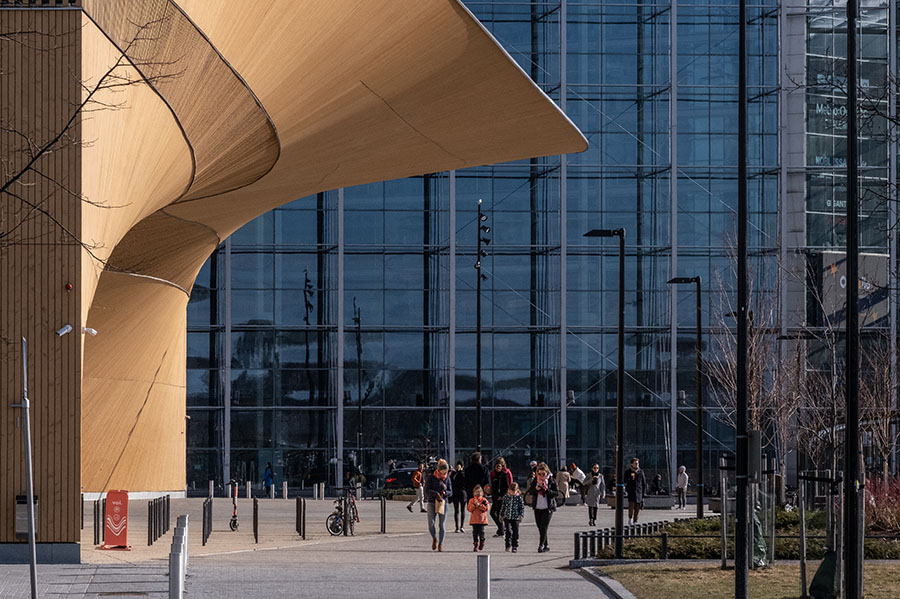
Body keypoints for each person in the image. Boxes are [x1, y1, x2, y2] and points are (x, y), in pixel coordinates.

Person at [525, 462, 558, 553]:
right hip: (537, 507)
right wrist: (536, 489)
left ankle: (541, 545)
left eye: (543, 473)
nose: (541, 475)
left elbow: (556, 493)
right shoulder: (536, 480)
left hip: (548, 508)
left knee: (544, 527)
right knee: (540, 527)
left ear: (547, 472)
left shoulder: (551, 480)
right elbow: (530, 491)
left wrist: (546, 490)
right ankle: (546, 544)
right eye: (539, 473)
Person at [424, 459, 453, 551]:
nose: (445, 472)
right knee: (431, 523)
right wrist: (435, 494)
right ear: (439, 469)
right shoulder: (432, 477)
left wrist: (445, 493)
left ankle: (441, 543)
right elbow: (427, 490)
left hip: (443, 502)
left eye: (446, 470)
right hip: (432, 501)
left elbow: (451, 492)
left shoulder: (447, 478)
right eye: (443, 470)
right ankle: (434, 538)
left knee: (442, 524)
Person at [489, 457, 513, 537]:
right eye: (497, 466)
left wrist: (503, 495)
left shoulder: (505, 474)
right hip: (495, 496)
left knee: (499, 513)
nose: (498, 468)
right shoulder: (493, 474)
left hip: (502, 497)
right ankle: (501, 529)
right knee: (494, 512)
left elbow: (507, 485)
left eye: (499, 466)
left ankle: (501, 530)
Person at [500, 481, 525, 552]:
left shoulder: (519, 498)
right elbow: (503, 506)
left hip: (515, 517)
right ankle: (507, 545)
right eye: (510, 491)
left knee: (515, 532)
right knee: (508, 531)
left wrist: (521, 515)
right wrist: (501, 515)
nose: (511, 493)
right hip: (507, 517)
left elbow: (522, 507)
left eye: (513, 491)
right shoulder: (506, 497)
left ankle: (515, 546)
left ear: (517, 491)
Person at [467, 484, 490, 551]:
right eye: (476, 492)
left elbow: (486, 508)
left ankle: (482, 542)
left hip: (482, 520)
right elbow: (469, 509)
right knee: (475, 533)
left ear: (482, 493)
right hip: (474, 520)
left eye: (479, 492)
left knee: (481, 532)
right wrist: (474, 505)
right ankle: (475, 544)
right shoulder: (471, 500)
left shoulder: (484, 500)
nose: (478, 493)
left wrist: (479, 505)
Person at [624, 457, 647, 524]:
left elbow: (643, 483)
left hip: (639, 491)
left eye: (637, 463)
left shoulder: (641, 472)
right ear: (632, 464)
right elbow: (625, 480)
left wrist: (643, 492)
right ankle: (630, 517)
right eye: (635, 463)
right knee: (631, 505)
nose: (637, 465)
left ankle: (635, 520)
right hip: (631, 491)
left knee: (637, 506)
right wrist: (630, 478)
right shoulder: (628, 472)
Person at [450, 461, 468, 532]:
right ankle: (457, 527)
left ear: (462, 467)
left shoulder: (463, 474)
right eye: (457, 466)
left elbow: (465, 483)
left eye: (459, 466)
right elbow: (451, 482)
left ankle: (462, 526)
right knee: (456, 510)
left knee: (462, 510)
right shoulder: (454, 474)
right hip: (455, 494)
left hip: (462, 493)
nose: (458, 467)